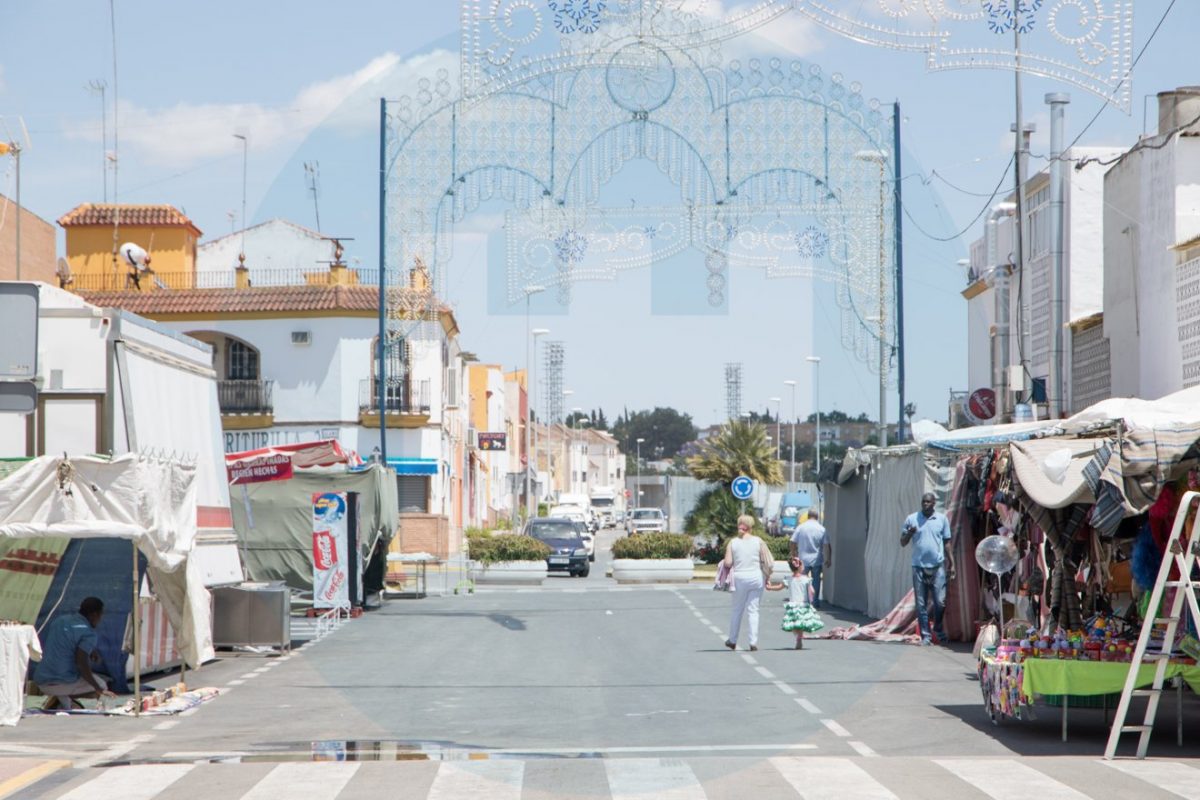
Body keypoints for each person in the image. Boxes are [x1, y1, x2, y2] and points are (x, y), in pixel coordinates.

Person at [33, 597, 114, 709]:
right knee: (102, 685)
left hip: (41, 681)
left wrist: (90, 650)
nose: (100, 620)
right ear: (95, 615)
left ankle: (63, 701)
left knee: (71, 676)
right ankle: (67, 701)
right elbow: (81, 664)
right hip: (61, 684)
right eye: (100, 615)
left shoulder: (59, 621)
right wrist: (98, 689)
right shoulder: (89, 634)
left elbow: (65, 643)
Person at [901, 493, 955, 646]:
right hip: (918, 566)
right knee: (921, 603)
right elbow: (902, 542)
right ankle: (926, 636)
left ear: (934, 503)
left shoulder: (941, 519)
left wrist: (953, 563)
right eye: (923, 502)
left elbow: (947, 543)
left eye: (928, 502)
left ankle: (937, 626)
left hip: (937, 566)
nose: (925, 504)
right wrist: (910, 533)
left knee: (940, 601)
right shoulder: (912, 519)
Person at [723, 515, 774, 651]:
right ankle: (753, 641)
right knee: (753, 610)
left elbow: (728, 563)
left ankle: (732, 640)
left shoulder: (732, 543)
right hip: (756, 577)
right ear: (751, 527)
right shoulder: (758, 541)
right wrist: (768, 577)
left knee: (737, 610)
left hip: (739, 578)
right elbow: (768, 562)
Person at [789, 509, 831, 609]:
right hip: (817, 559)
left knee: (802, 581)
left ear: (808, 516)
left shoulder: (801, 527)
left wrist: (793, 553)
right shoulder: (821, 529)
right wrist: (828, 558)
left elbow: (792, 541)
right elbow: (826, 545)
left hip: (803, 560)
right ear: (817, 517)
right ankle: (814, 601)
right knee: (816, 581)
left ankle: (803, 600)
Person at [780, 557, 824, 649]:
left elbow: (780, 587)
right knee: (801, 623)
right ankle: (799, 638)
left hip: (793, 604)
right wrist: (811, 598)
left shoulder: (789, 579)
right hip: (803, 604)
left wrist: (770, 587)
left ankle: (798, 638)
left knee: (796, 624)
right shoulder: (806, 579)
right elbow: (812, 591)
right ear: (800, 567)